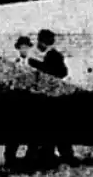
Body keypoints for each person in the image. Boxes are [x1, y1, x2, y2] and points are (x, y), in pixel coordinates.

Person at [27, 29, 75, 165]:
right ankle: (53, 155)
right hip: (47, 96)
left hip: (48, 96)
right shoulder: (47, 54)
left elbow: (60, 72)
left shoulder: (51, 55)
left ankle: (47, 155)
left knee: (47, 129)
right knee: (52, 129)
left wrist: (38, 65)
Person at [4, 35, 35, 168]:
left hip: (29, 100)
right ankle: (10, 158)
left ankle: (30, 158)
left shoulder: (33, 64)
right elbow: (9, 82)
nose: (24, 50)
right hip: (17, 100)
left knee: (32, 131)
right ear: (18, 49)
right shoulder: (14, 64)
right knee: (14, 132)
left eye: (26, 47)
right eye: (22, 47)